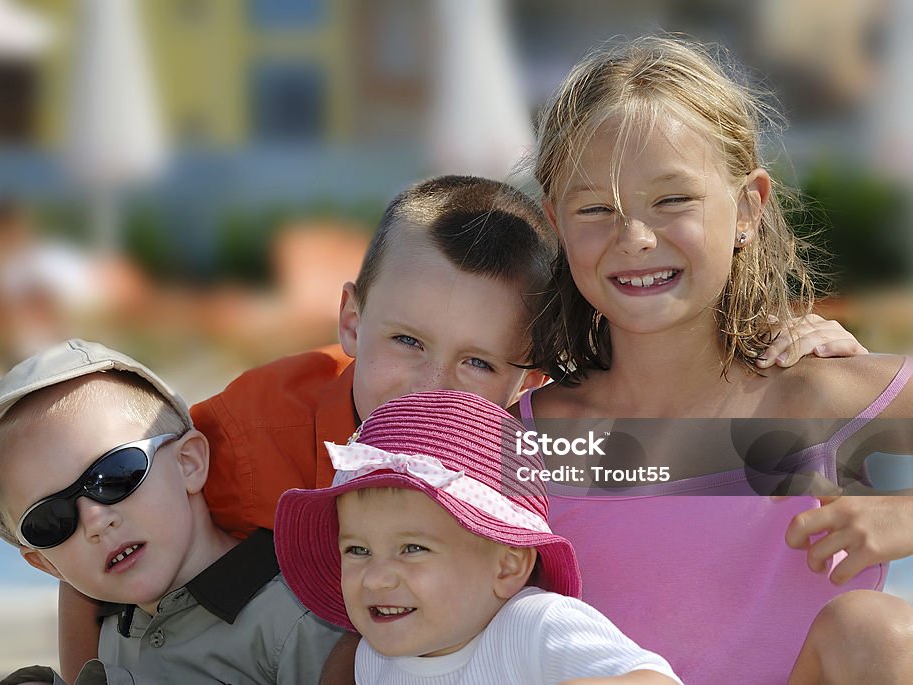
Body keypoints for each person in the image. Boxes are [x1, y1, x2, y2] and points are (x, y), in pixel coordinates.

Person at [54, 175, 867, 681]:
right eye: (406, 341)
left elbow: (726, 457)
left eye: (479, 364)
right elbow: (109, 520)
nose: (433, 385)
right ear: (350, 319)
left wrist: (819, 375)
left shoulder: (529, 444)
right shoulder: (259, 422)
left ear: (530, 378)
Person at [524, 35, 913, 684]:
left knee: (876, 631)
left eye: (672, 199)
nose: (635, 238)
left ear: (747, 209)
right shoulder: (538, 439)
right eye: (595, 209)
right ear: (557, 225)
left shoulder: (818, 403)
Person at [0, 339, 343, 685]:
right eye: (50, 521)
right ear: (46, 564)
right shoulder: (107, 631)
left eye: (114, 475)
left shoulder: (296, 618)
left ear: (188, 463)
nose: (96, 522)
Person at [275, 389, 684, 684]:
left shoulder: (533, 626)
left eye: (413, 548)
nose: (377, 578)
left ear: (507, 564)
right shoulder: (373, 661)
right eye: (358, 550)